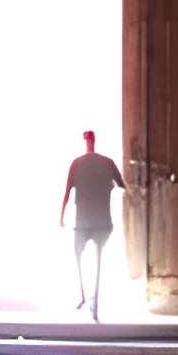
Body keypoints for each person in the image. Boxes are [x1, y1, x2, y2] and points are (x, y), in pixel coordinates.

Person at [58, 128, 126, 320]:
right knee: (98, 259)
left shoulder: (77, 164)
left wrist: (61, 217)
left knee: (80, 256)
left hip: (84, 221)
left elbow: (67, 191)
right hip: (102, 220)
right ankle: (91, 299)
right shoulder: (107, 163)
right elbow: (122, 184)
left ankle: (86, 297)